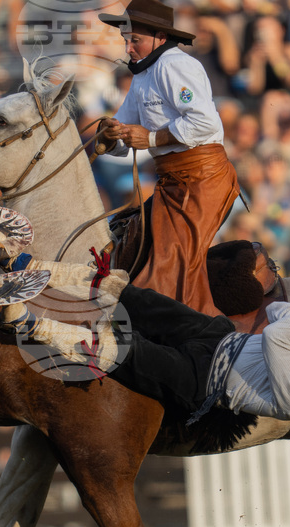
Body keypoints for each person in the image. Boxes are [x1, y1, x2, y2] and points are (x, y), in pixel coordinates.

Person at [0, 266, 290, 421]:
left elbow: (275, 334)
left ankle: (26, 323)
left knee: (125, 349)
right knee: (140, 299)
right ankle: (32, 268)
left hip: (199, 382)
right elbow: (281, 308)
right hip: (215, 337)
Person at [97, 0, 241, 317]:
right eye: (126, 40)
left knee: (167, 268)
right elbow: (123, 140)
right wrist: (109, 136)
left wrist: (148, 138)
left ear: (160, 37)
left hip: (203, 179)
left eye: (135, 40)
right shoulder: (143, 75)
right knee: (130, 245)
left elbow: (205, 124)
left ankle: (206, 336)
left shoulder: (174, 65)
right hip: (173, 182)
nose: (128, 47)